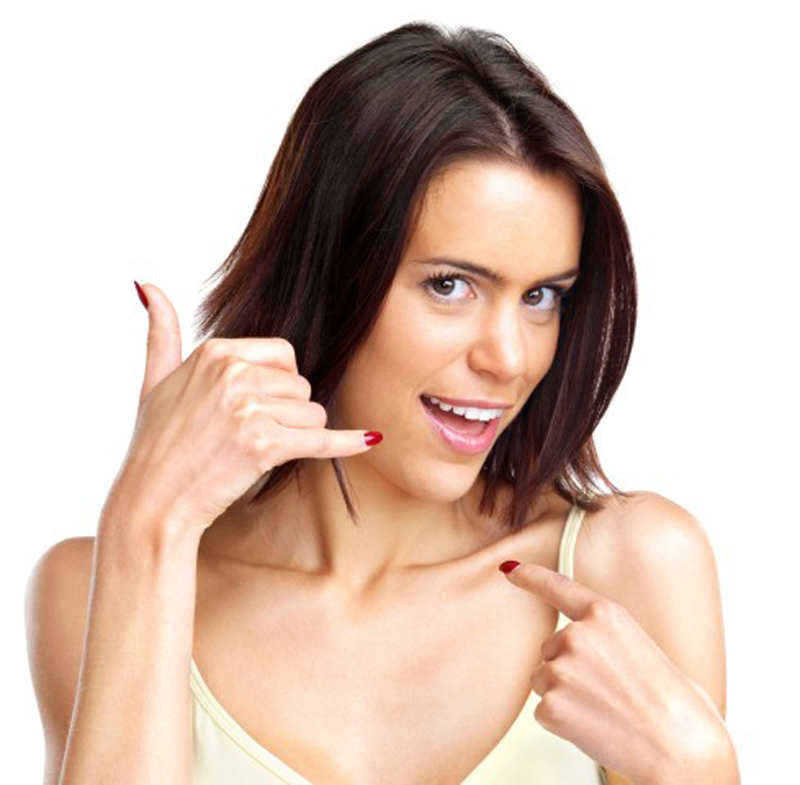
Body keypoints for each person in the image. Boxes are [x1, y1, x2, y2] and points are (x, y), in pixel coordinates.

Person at [25, 21, 739, 785]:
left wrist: (697, 767)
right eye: (450, 285)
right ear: (328, 275)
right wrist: (148, 522)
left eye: (541, 296)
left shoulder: (632, 567)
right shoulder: (94, 587)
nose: (510, 357)